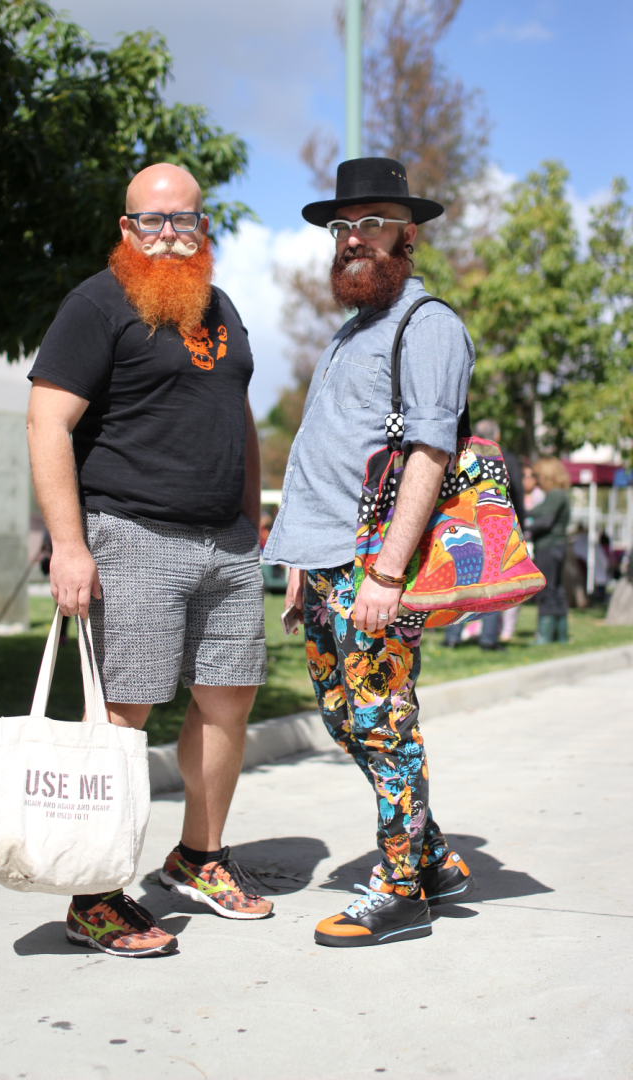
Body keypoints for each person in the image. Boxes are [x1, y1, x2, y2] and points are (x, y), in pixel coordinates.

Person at [27, 163, 272, 959]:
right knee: (122, 720)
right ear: (126, 229)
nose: (169, 234)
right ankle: (94, 894)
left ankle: (199, 857)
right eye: (151, 222)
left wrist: (250, 516)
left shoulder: (221, 307)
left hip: (227, 544)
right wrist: (68, 544)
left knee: (228, 702)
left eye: (185, 221)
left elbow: (236, 411)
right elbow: (47, 423)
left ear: (205, 228)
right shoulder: (96, 304)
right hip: (132, 537)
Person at [264, 157, 477, 948]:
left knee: (383, 722)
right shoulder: (353, 331)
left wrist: (386, 572)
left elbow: (427, 453)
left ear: (407, 236)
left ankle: (398, 891)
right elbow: (328, 452)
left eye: (371, 225)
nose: (353, 241)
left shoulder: (429, 327)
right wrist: (297, 559)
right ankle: (434, 858)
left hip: (371, 567)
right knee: (342, 718)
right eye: (341, 228)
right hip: (322, 563)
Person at [443, 418, 525, 650]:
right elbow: (517, 493)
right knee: (494, 581)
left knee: (463, 579)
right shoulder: (505, 458)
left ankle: (452, 636)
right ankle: (488, 639)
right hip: (495, 527)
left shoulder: (462, 456)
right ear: (497, 436)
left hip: (464, 524)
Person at [526, 457, 571, 643]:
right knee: (557, 591)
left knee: (547, 591)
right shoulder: (560, 495)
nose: (536, 480)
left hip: (549, 547)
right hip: (558, 547)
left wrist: (525, 530)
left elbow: (545, 521)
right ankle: (560, 636)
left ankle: (544, 636)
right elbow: (537, 513)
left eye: (538, 476)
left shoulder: (555, 495)